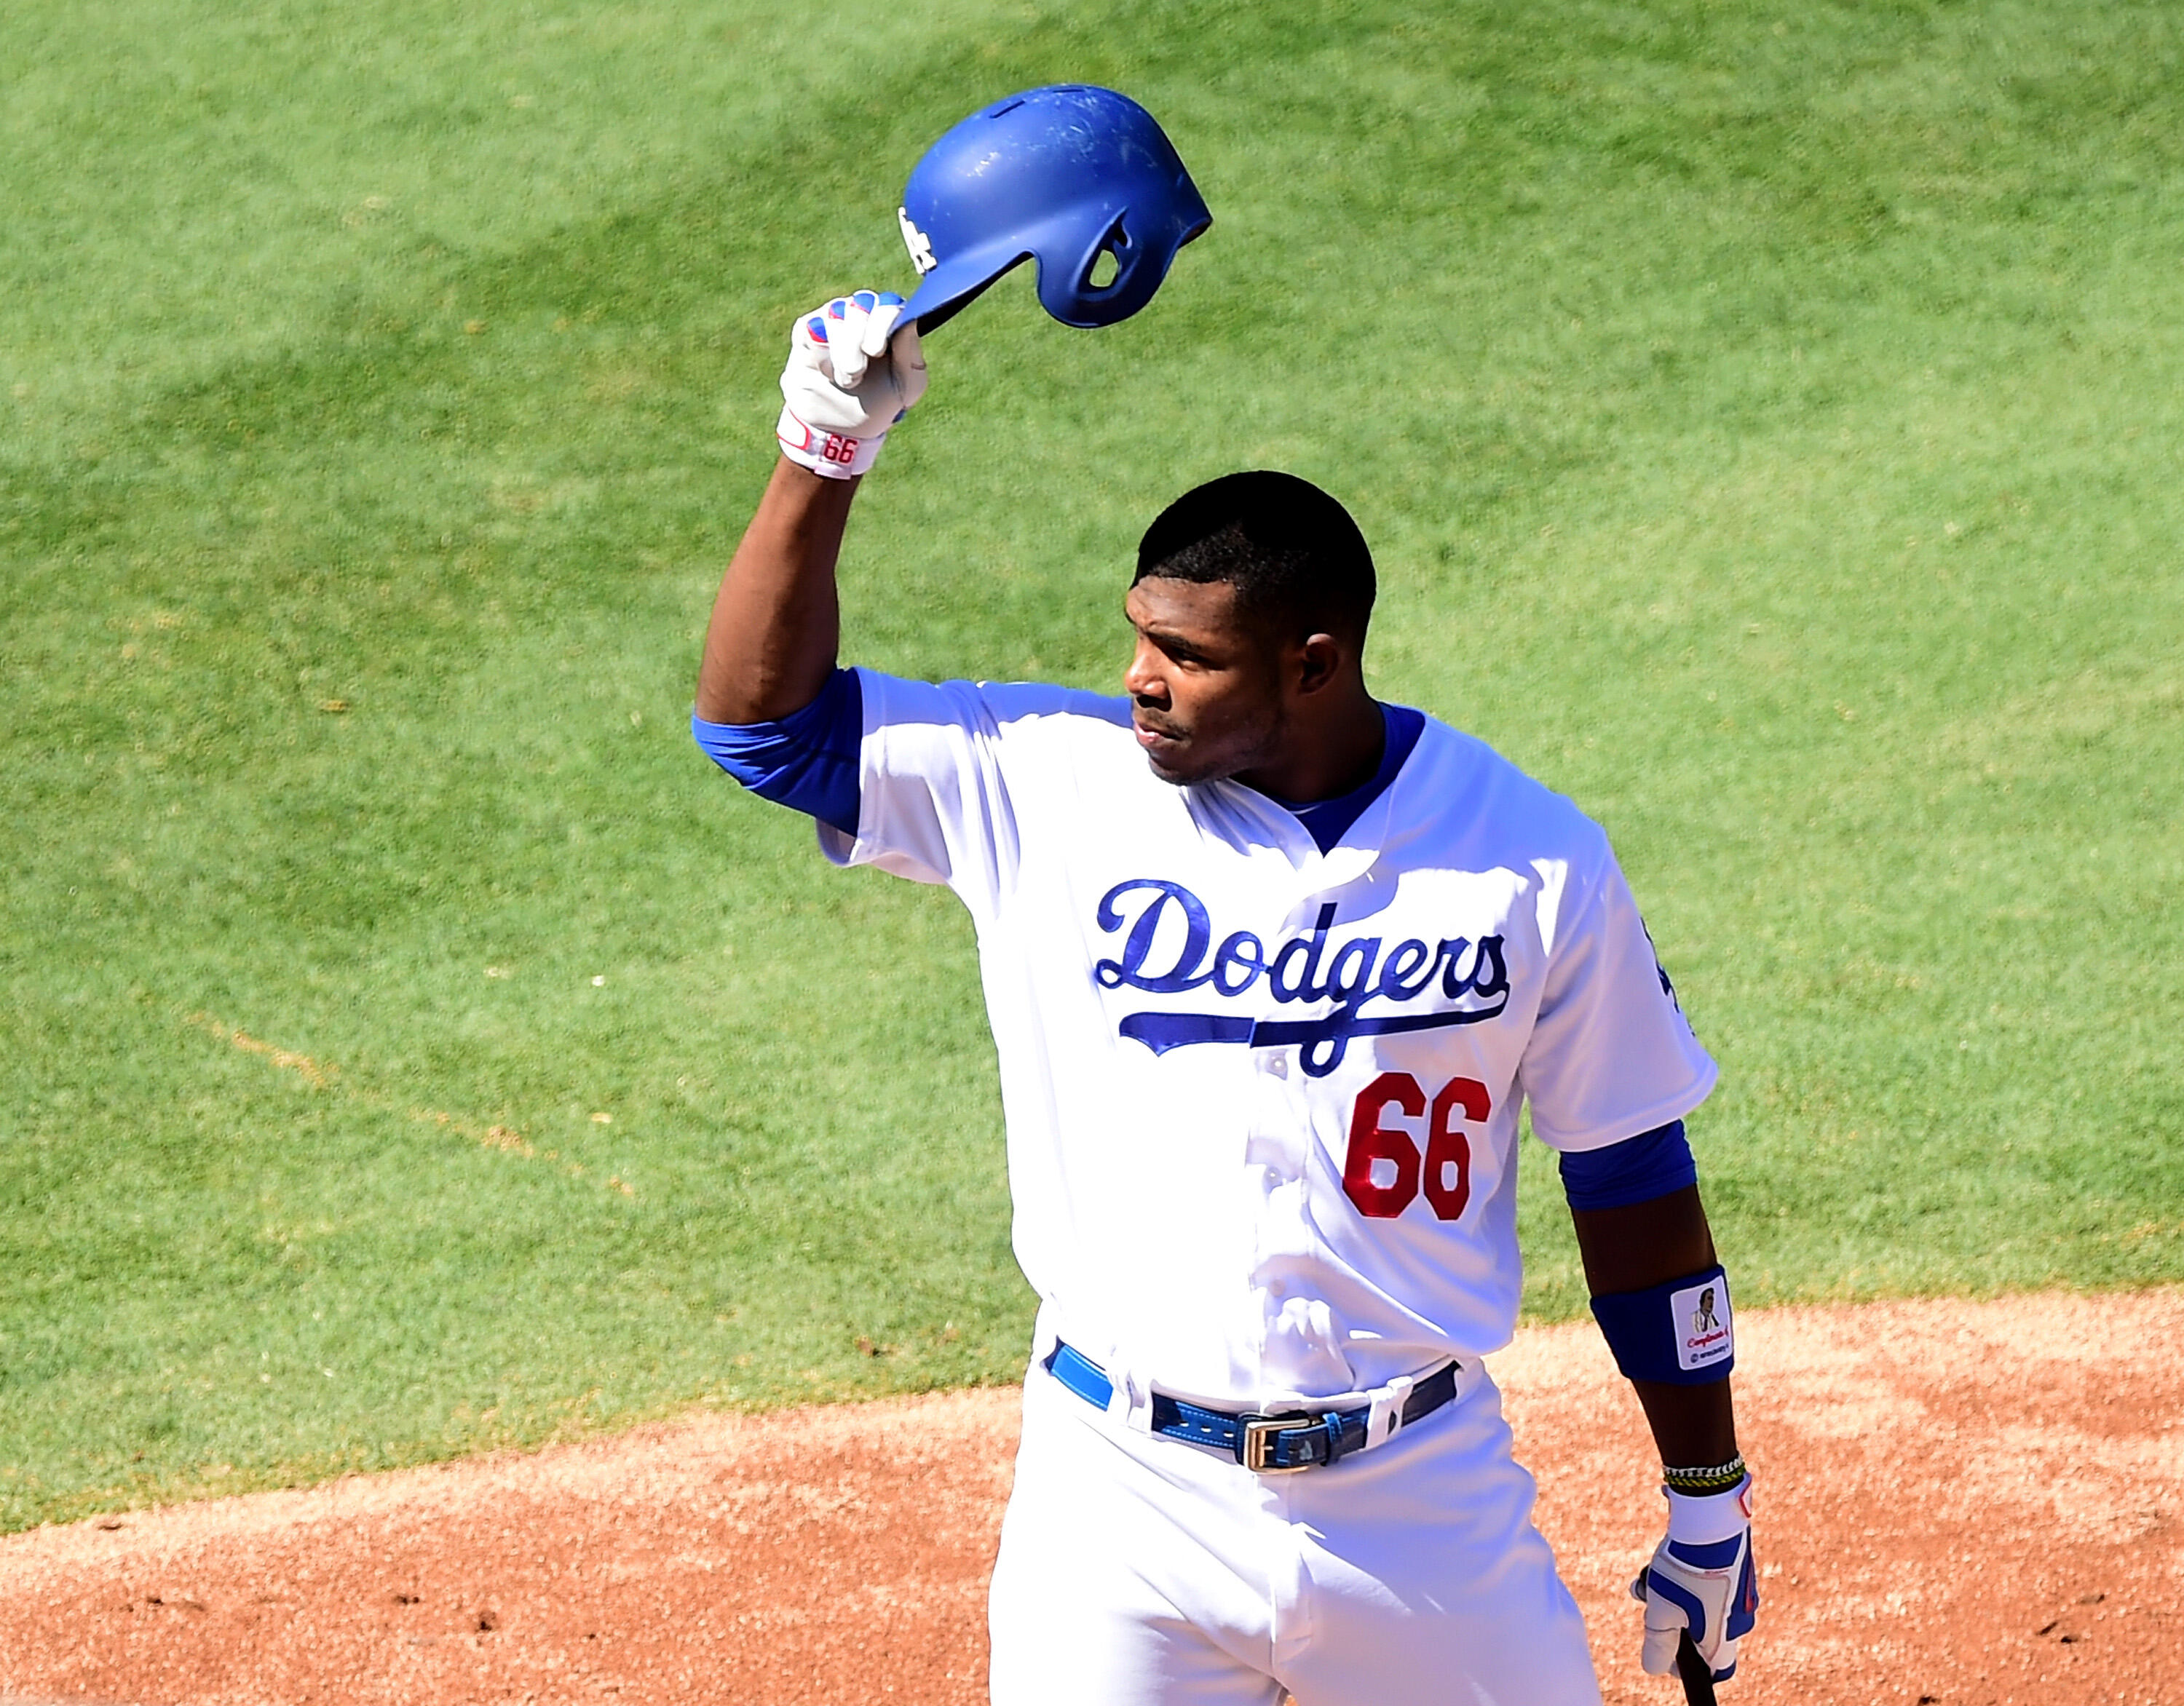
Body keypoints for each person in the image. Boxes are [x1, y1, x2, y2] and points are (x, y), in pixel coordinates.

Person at [692, 290, 1758, 1705]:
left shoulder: (1529, 855)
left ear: (1313, 664)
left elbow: (1633, 1176)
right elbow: (763, 728)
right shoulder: (1051, 780)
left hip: (1417, 1505)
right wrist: (820, 447)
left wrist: (1705, 1493)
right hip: (1119, 1501)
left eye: (1186, 655)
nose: (1139, 677)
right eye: (1140, 635)